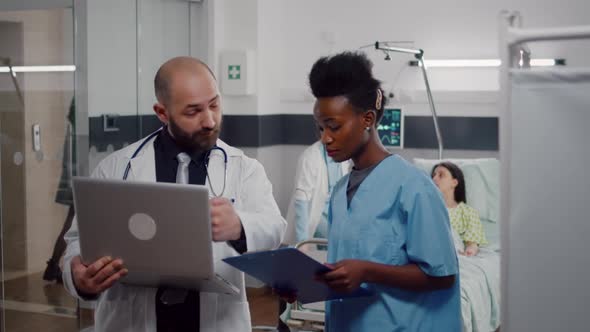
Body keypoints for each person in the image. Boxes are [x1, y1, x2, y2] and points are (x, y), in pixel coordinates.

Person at [61, 56, 286, 331]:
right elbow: (78, 241)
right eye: (193, 112)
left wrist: (239, 226)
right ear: (162, 112)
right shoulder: (116, 168)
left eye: (214, 104)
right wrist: (78, 276)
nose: (209, 120)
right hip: (132, 320)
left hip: (215, 320)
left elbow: (274, 228)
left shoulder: (244, 169)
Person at [299, 51, 461, 331]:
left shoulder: (414, 189)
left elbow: (442, 275)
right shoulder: (339, 193)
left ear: (368, 119)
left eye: (334, 126)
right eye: (320, 128)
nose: (325, 138)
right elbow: (344, 271)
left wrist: (367, 271)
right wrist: (304, 285)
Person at [284, 140, 350, 244]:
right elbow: (301, 201)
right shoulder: (310, 156)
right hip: (316, 215)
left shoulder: (343, 153)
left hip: (334, 213)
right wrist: (302, 241)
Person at [43, 98, 76, 283]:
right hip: (78, 182)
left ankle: (54, 265)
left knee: (71, 223)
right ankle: (55, 265)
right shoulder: (76, 133)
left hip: (75, 182)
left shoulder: (72, 132)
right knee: (72, 225)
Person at [431, 161, 487, 256]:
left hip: (454, 254)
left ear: (454, 182)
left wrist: (469, 251)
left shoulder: (468, 213)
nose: (434, 179)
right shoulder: (426, 208)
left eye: (441, 175)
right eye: (433, 175)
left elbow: (471, 244)